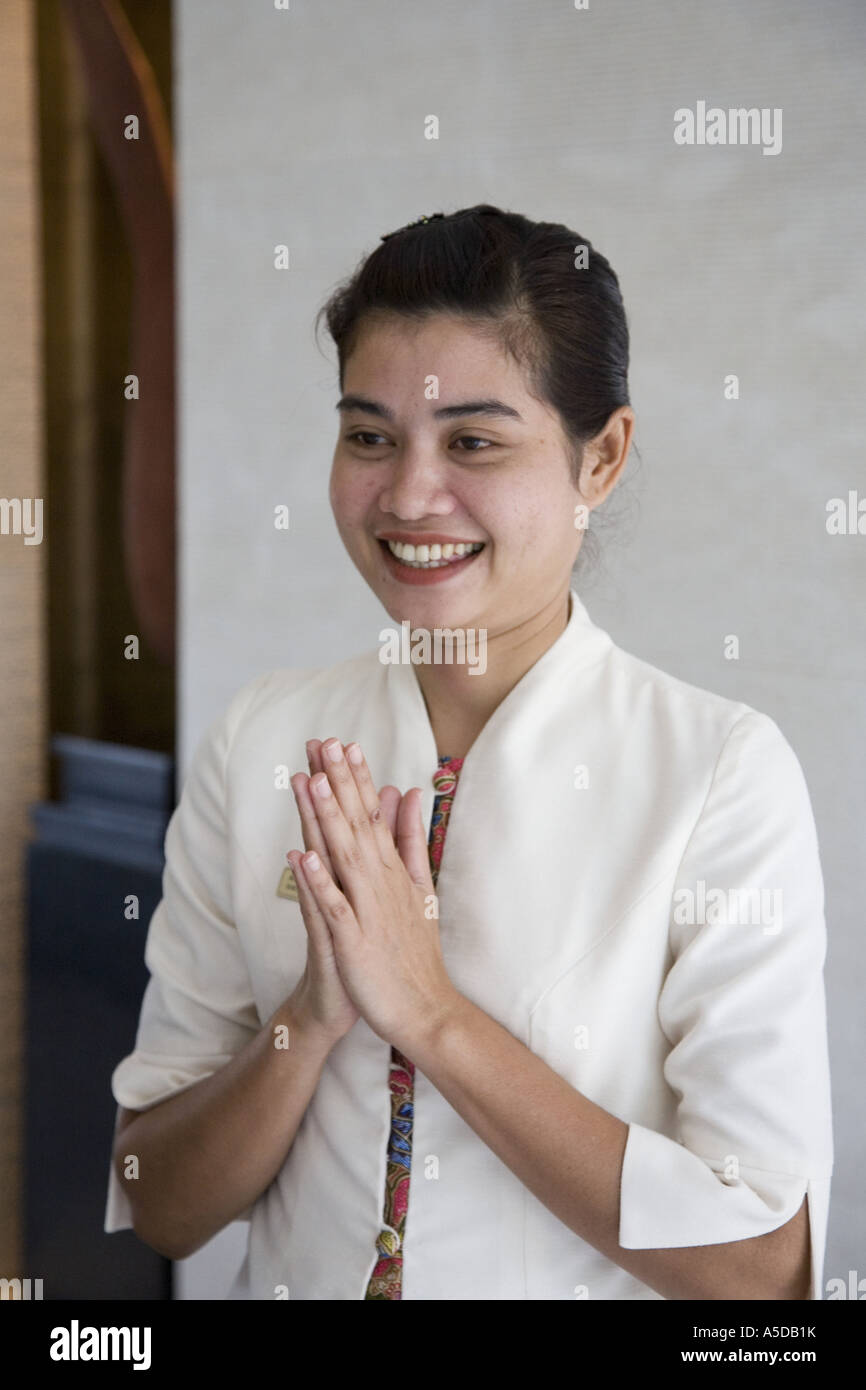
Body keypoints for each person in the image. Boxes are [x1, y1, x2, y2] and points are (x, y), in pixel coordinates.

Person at [104, 204, 833, 1300]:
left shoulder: (716, 776)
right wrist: (309, 1014)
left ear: (601, 459)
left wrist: (430, 1012)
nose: (406, 495)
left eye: (474, 442)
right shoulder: (260, 738)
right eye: (368, 435)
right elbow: (158, 1199)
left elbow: (759, 1266)